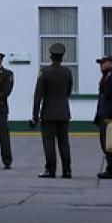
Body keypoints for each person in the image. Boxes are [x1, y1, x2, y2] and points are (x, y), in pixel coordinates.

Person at [32, 42, 73, 178]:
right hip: (63, 112)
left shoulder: (45, 72)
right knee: (64, 142)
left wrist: (35, 115)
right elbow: (68, 91)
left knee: (49, 142)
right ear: (62, 57)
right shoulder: (67, 72)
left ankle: (50, 170)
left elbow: (38, 95)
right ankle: (67, 170)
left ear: (50, 56)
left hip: (48, 113)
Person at [94, 54, 112, 180]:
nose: (101, 65)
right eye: (101, 63)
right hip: (104, 114)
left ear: (111, 63)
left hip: (109, 115)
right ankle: (111, 169)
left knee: (109, 143)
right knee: (106, 143)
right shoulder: (106, 77)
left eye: (104, 63)